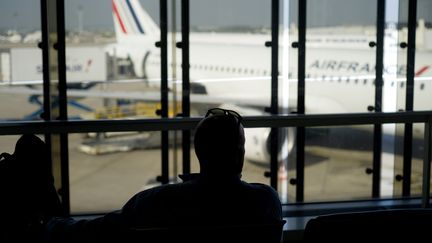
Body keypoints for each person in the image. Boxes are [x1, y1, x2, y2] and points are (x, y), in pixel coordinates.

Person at [45, 108, 283, 242]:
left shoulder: (155, 202)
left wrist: (51, 225)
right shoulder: (266, 202)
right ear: (240, 155)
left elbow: (96, 231)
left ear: (198, 151)